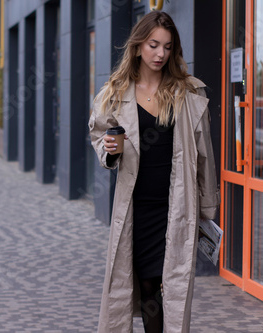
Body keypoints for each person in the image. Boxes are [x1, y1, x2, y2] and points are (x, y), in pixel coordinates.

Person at [89, 11, 219, 333]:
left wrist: (206, 207)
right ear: (137, 47)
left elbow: (204, 155)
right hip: (138, 208)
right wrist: (109, 150)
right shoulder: (116, 93)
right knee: (148, 284)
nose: (160, 54)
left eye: (167, 47)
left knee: (171, 284)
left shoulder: (188, 94)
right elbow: (99, 137)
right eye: (153, 45)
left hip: (177, 205)